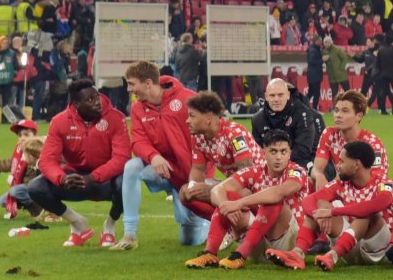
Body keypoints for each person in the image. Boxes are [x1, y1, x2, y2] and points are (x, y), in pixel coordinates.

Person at [22, 79, 130, 248]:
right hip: (73, 179)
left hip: (104, 179)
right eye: (90, 100)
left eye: (97, 96)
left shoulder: (116, 118)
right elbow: (47, 160)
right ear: (76, 104)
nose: (97, 102)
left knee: (127, 182)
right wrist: (62, 179)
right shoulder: (59, 121)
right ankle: (77, 223)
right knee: (35, 187)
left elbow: (121, 158)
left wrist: (93, 177)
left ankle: (109, 226)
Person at [183, 129, 310, 270]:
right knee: (228, 197)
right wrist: (226, 206)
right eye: (273, 151)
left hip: (289, 242)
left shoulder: (297, 171)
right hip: (260, 240)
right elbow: (217, 190)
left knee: (273, 200)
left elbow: (279, 192)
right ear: (264, 152)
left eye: (283, 152)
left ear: (289, 153)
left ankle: (240, 254)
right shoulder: (255, 171)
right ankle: (210, 254)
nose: (278, 157)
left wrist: (239, 203)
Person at [284, 140, 393, 271]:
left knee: (367, 214)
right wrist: (319, 214)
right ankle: (297, 254)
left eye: (342, 161)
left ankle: (332, 255)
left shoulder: (384, 183)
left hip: (380, 252)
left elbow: (378, 204)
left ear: (356, 164)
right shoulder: (342, 183)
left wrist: (333, 212)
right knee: (319, 208)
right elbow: (309, 200)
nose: (338, 166)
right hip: (350, 247)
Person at [121, 62, 203, 249]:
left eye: (132, 84)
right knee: (132, 167)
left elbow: (209, 134)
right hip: (163, 170)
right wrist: (153, 156)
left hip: (191, 174)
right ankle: (129, 234)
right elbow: (138, 141)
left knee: (188, 240)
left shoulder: (188, 99)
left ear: (148, 83)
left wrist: (199, 176)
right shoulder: (137, 109)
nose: (129, 89)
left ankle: (206, 221)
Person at [180, 91, 263, 248]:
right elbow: (197, 170)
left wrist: (215, 189)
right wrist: (194, 187)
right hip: (233, 185)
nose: (187, 121)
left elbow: (247, 175)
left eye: (192, 116)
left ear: (209, 118)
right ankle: (229, 225)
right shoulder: (197, 137)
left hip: (257, 186)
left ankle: (246, 224)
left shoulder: (234, 133)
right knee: (185, 193)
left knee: (219, 192)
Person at [311, 90, 388, 189]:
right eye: (337, 110)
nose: (338, 115)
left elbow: (376, 180)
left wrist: (333, 186)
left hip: (368, 193)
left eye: (345, 111)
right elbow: (316, 169)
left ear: (358, 116)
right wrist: (319, 176)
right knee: (309, 182)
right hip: (344, 189)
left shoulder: (372, 144)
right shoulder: (330, 134)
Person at [253, 78, 323, 167]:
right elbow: (257, 152)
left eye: (280, 95)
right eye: (272, 95)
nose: (276, 99)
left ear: (288, 95)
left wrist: (279, 163)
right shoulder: (257, 119)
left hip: (302, 162)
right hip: (270, 165)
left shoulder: (303, 114)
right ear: (266, 97)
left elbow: (302, 151)